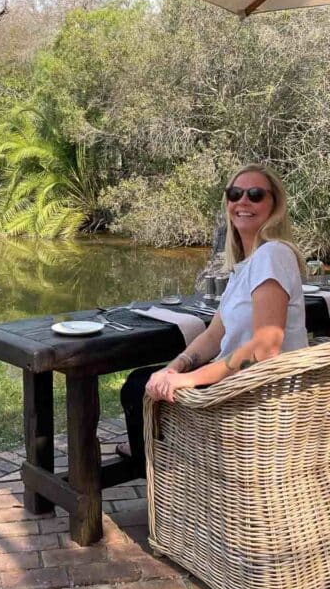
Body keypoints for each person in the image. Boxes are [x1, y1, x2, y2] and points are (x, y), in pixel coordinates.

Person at [118, 163, 307, 474]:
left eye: (255, 195)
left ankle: (165, 472)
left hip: (259, 392)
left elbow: (265, 349)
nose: (243, 201)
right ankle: (163, 465)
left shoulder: (273, 255)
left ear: (275, 205)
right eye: (235, 194)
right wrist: (173, 368)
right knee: (145, 381)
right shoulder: (245, 266)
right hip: (243, 382)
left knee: (138, 390)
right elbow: (213, 335)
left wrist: (188, 379)